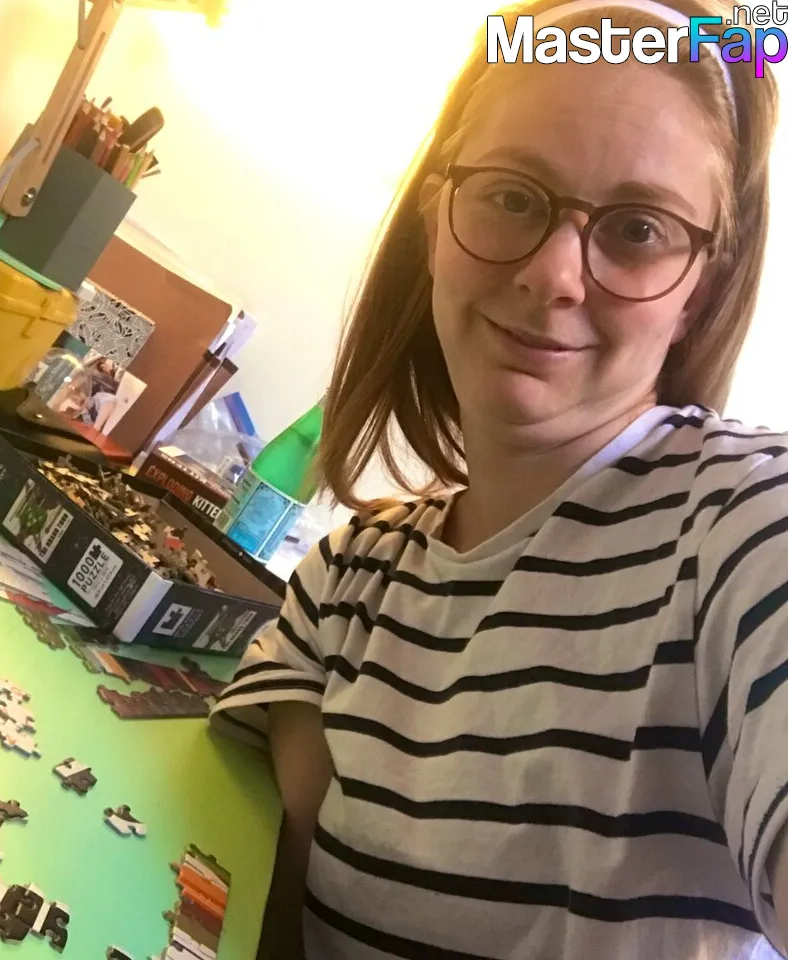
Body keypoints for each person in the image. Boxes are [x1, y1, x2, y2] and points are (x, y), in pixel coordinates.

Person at [210, 0, 786, 956]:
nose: (555, 274)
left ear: (700, 291)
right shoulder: (344, 582)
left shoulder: (751, 530)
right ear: (435, 213)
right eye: (514, 196)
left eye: (638, 229)